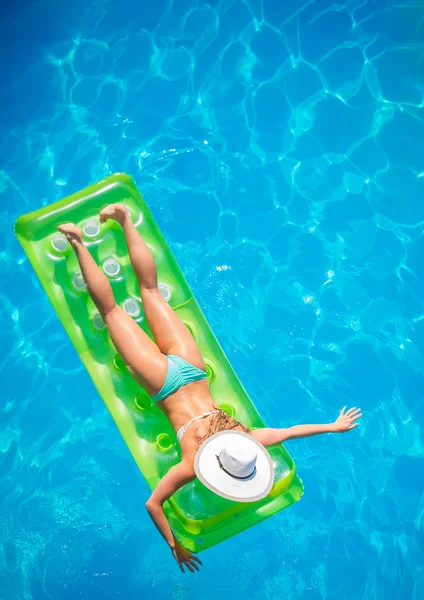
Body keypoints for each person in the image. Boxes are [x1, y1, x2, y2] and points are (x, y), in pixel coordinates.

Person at [58, 204, 362, 574]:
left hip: (194, 369)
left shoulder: (249, 438)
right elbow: (152, 504)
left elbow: (293, 432)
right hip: (162, 384)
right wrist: (175, 546)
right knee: (112, 313)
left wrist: (333, 425)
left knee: (152, 293)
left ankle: (123, 219)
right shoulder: (190, 465)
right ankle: (76, 240)